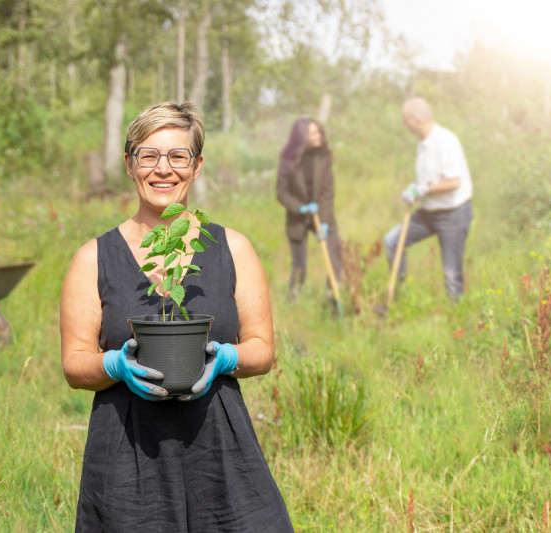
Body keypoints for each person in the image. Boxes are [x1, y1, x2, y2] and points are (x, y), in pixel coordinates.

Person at [60, 102, 293, 531]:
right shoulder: (93, 258)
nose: (163, 169)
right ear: (129, 164)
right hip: (128, 454)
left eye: (177, 156)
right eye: (148, 155)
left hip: (218, 448)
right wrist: (114, 365)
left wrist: (226, 358)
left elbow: (262, 349)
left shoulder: (233, 249)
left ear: (197, 166)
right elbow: (75, 363)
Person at [384, 97, 473, 301]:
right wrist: (416, 188)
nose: (404, 124)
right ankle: (398, 299)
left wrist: (423, 189)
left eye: (405, 120)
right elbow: (430, 180)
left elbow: (454, 182)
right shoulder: (423, 144)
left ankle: (455, 314)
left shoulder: (445, 141)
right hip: (428, 213)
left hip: (453, 214)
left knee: (451, 274)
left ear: (416, 121)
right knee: (392, 242)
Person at [276, 117, 343, 298]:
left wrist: (325, 222)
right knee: (300, 267)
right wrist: (301, 208)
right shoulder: (287, 159)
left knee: (336, 254)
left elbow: (327, 192)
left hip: (321, 211)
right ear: (302, 137)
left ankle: (332, 296)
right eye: (313, 133)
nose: (319, 135)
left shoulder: (324, 156)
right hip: (297, 216)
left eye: (319, 131)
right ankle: (293, 298)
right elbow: (281, 192)